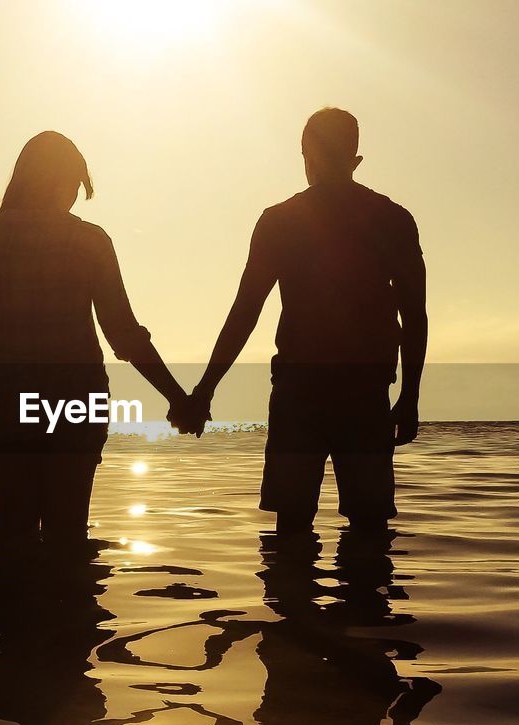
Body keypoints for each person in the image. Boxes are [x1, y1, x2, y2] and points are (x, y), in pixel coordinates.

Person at [175, 108, 428, 534]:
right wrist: (410, 397)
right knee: (369, 530)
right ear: (355, 158)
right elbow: (414, 316)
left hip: (300, 394)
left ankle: (293, 599)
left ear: (306, 154)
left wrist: (203, 390)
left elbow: (245, 311)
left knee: (292, 528)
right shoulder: (392, 219)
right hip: (364, 394)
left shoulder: (280, 221)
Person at [0, 131, 189, 542]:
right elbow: (123, 332)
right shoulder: (88, 241)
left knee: (14, 535)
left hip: (6, 406)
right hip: (74, 404)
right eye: (73, 186)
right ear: (56, 181)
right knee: (68, 535)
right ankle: (70, 602)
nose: (71, 199)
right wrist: (176, 397)